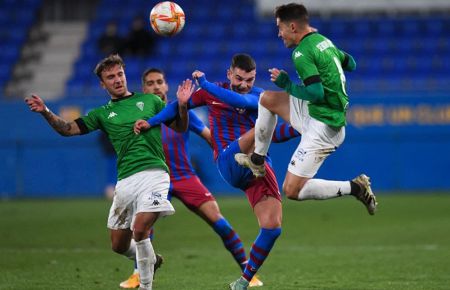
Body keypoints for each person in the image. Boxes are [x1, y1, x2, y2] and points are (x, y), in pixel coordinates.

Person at [25, 54, 192, 290]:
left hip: (155, 174)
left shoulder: (151, 101)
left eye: (120, 74)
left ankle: (145, 286)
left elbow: (180, 127)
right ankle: (150, 260)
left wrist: (182, 106)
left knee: (141, 228)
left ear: (125, 74)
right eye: (110, 77)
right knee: (118, 245)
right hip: (125, 180)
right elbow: (68, 129)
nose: (117, 80)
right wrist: (45, 111)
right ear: (103, 84)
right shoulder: (101, 114)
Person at [137, 54, 300, 290]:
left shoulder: (256, 96)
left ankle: (243, 281)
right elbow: (173, 108)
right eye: (239, 78)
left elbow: (265, 127)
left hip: (257, 166)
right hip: (228, 160)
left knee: (272, 227)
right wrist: (153, 120)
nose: (244, 84)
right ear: (228, 74)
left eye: (250, 80)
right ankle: (138, 270)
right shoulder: (213, 93)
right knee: (263, 123)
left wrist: (302, 129)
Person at [119, 68, 262, 288]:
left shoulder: (181, 110)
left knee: (219, 221)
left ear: (167, 86)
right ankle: (138, 273)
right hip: (156, 179)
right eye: (150, 83)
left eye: (160, 81)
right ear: (144, 88)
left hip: (185, 177)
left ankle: (247, 271)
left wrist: (231, 156)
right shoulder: (141, 118)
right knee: (144, 227)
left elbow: (209, 137)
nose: (156, 86)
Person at [234, 3, 378, 216]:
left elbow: (317, 92)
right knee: (266, 99)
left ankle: (356, 187)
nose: (279, 33)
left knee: (292, 190)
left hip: (325, 126)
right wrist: (328, 55)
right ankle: (257, 161)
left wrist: (287, 85)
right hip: (315, 111)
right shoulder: (323, 41)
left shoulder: (301, 52)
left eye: (280, 27)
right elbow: (352, 64)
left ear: (292, 27)